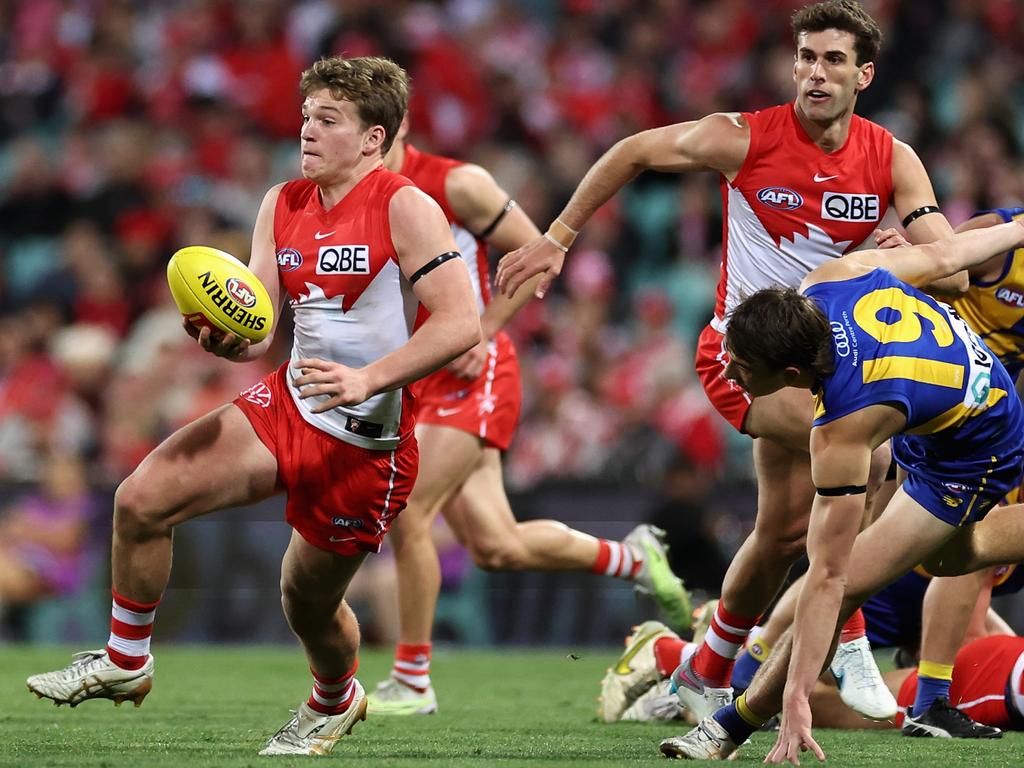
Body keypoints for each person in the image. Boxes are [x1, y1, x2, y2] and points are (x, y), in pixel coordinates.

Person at [502, 0, 960, 723]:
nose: (815, 72)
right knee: (866, 459)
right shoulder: (742, 137)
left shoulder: (891, 157)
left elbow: (952, 269)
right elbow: (629, 152)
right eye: (806, 56)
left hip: (820, 367)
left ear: (863, 73)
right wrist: (558, 238)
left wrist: (913, 253)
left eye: (834, 60)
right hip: (740, 356)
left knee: (780, 532)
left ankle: (699, 668)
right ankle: (847, 629)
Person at [25, 56, 481, 757]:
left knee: (306, 604)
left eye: (328, 120)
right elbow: (263, 326)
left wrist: (371, 379)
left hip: (367, 441)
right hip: (288, 405)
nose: (307, 130)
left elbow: (459, 322)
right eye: (306, 116)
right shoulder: (282, 202)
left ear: (372, 138)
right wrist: (227, 340)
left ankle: (335, 698)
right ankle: (125, 660)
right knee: (140, 499)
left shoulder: (405, 205)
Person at [658, 217, 1024, 761]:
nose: (729, 372)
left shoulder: (843, 430)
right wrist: (1018, 228)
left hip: (972, 450)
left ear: (787, 371)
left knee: (864, 576)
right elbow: (947, 257)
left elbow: (828, 578)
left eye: (740, 366)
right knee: (953, 557)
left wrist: (798, 696)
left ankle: (731, 725)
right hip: (940, 400)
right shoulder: (834, 277)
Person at [366, 118, 690, 716]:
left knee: (410, 513)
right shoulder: (347, 196)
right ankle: (634, 559)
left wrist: (482, 332)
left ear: (389, 124)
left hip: (471, 369)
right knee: (496, 546)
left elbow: (538, 253)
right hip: (415, 374)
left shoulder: (458, 183)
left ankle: (412, 680)